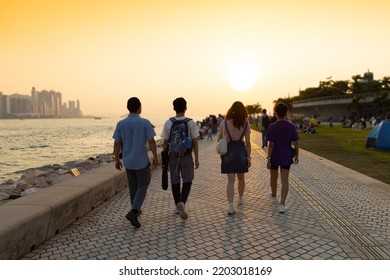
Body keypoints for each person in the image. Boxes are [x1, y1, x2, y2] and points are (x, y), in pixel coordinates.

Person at [112, 97, 158, 228]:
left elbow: (116, 143)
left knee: (133, 186)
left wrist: (116, 159)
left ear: (128, 108)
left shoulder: (121, 124)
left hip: (128, 161)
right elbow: (151, 141)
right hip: (141, 161)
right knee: (143, 185)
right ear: (139, 107)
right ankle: (133, 212)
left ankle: (135, 212)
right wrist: (155, 157)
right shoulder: (145, 122)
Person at [161, 97, 200, 220]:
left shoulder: (168, 123)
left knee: (175, 180)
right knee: (188, 179)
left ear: (174, 108)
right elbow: (195, 142)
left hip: (173, 156)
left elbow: (165, 143)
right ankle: (182, 202)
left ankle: (177, 204)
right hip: (187, 155)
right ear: (186, 108)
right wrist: (197, 158)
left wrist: (164, 160)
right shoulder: (191, 123)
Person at [217, 101, 251, 215]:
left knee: (230, 180)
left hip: (228, 152)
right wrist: (249, 158)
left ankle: (230, 205)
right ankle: (240, 198)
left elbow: (219, 139)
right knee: (241, 178)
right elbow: (248, 143)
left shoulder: (225, 123)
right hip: (241, 151)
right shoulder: (246, 124)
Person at [266, 102, 299, 213]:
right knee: (285, 179)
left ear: (275, 113)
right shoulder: (291, 126)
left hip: (275, 156)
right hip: (286, 156)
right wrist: (297, 155)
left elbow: (271, 144)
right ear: (286, 113)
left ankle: (274, 194)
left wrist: (269, 158)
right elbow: (296, 141)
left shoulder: (272, 127)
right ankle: (282, 204)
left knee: (273, 177)